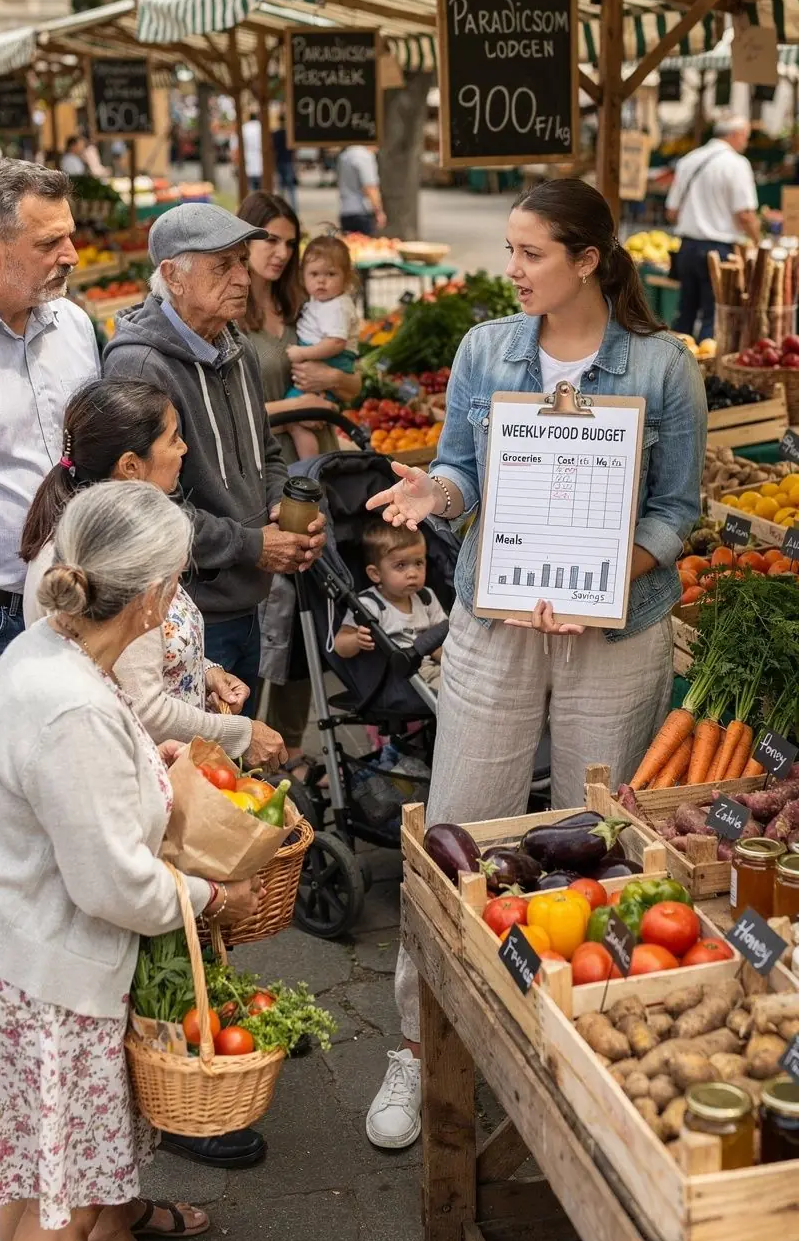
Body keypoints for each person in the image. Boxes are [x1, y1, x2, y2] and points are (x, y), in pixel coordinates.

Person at [362, 178, 707, 1149]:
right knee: (459, 825)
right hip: (498, 619)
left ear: (586, 260)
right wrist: (435, 493)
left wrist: (597, 574)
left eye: (530, 253)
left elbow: (678, 512)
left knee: (593, 840)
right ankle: (418, 1042)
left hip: (614, 632)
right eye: (509, 249)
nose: (510, 269)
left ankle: (577, 1034)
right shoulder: (486, 349)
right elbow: (463, 473)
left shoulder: (664, 367)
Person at [0, 479, 263, 1241]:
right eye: (177, 580)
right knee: (61, 1214)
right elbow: (112, 883)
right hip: (56, 992)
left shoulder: (47, 650)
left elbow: (83, 803)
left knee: (34, 1184)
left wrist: (157, 774)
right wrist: (214, 898)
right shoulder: (71, 706)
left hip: (19, 959)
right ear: (150, 598)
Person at [103, 202, 326, 716]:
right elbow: (146, 509)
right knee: (201, 756)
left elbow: (267, 450)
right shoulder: (140, 364)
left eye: (242, 261)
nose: (243, 277)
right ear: (172, 276)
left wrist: (283, 508)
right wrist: (253, 545)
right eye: (222, 265)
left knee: (240, 751)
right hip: (186, 614)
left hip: (249, 598)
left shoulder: (235, 346)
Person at [21, 380, 287, 774]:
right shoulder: (113, 555)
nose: (184, 448)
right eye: (173, 438)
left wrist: (204, 671)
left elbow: (141, 656)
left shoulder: (102, 530)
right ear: (131, 465)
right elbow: (144, 707)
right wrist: (242, 734)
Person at [238, 190, 361, 770]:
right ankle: (246, 741)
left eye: (290, 242)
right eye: (269, 238)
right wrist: (292, 408)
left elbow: (353, 386)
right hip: (263, 475)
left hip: (315, 465)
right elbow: (228, 415)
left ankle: (289, 742)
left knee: (310, 602)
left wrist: (333, 384)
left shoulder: (307, 306)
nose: (281, 252)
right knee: (271, 609)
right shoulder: (230, 315)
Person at [0, 158, 99, 687]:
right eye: (49, 243)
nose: (70, 255)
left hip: (79, 601)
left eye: (70, 236)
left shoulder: (73, 324)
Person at [666, 117, 759, 341]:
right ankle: (707, 363)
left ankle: (674, 362)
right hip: (719, 251)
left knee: (685, 314)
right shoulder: (737, 164)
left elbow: (671, 212)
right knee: (714, 317)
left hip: (687, 248)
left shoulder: (689, 160)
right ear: (735, 134)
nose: (746, 143)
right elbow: (745, 214)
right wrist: (759, 241)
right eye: (745, 137)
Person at [334, 522, 446, 689]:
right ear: (375, 573)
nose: (412, 573)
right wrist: (356, 640)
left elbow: (441, 638)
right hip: (396, 680)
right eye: (401, 565)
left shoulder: (425, 597)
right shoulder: (368, 605)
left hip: (430, 671)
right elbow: (339, 645)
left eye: (418, 563)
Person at [285, 235, 360, 459]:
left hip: (332, 358)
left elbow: (336, 343)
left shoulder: (337, 306)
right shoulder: (320, 302)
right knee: (298, 417)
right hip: (324, 357)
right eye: (314, 274)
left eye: (330, 274)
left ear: (347, 278)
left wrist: (302, 353)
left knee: (294, 417)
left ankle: (308, 464)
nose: (321, 281)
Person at [337, 145, 386, 236]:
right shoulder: (365, 156)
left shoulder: (345, 155)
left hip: (345, 210)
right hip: (362, 211)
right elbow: (370, 187)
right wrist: (379, 211)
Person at [231, 111, 263, 192]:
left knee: (249, 189)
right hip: (261, 162)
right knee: (260, 190)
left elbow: (235, 147)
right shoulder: (262, 128)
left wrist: (235, 162)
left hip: (247, 162)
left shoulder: (244, 128)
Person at [272, 113, 297, 210]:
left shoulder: (276, 134)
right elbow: (293, 150)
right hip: (288, 161)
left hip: (279, 161)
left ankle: (281, 208)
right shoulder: (289, 134)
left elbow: (273, 150)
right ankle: (294, 208)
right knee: (291, 187)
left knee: (281, 187)